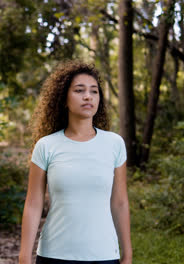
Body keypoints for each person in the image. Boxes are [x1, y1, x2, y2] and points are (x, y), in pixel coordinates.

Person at [19, 61, 132, 264]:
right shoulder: (46, 146)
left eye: (94, 91)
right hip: (55, 255)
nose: (88, 96)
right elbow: (33, 204)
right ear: (64, 99)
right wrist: (24, 257)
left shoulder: (114, 144)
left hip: (104, 256)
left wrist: (128, 254)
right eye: (79, 90)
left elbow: (120, 202)